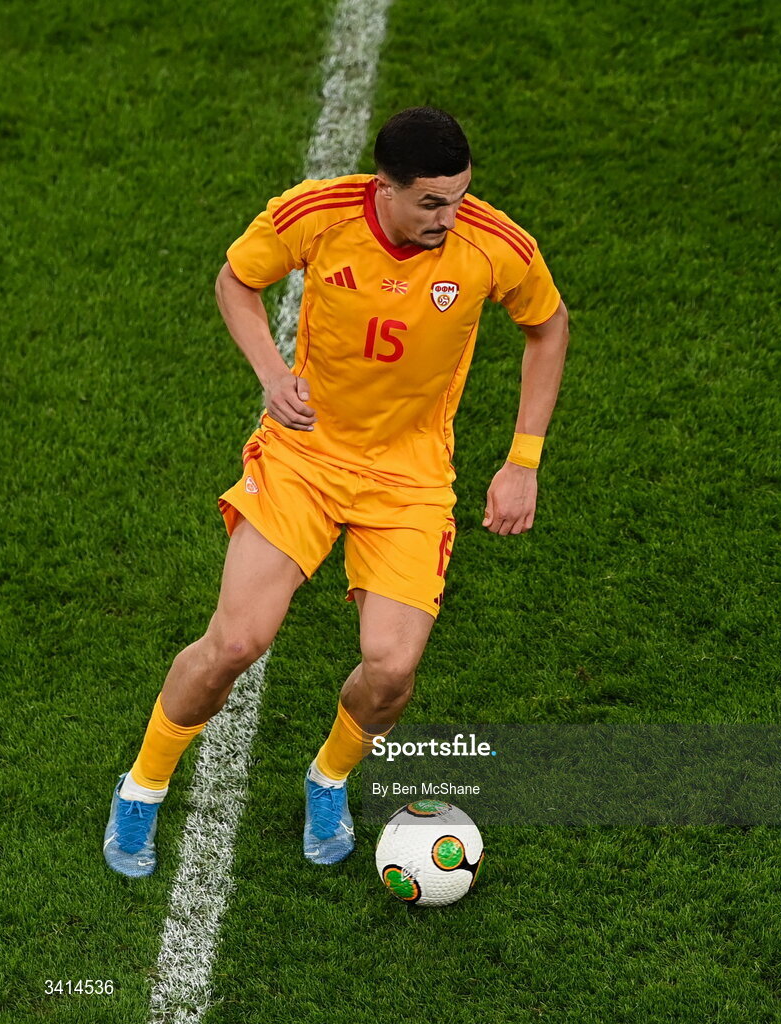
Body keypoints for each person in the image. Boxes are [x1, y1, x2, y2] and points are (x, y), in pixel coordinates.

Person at [103, 106, 569, 876]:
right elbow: (236, 280)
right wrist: (270, 374)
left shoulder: (494, 244)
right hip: (306, 458)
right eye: (430, 202)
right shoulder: (317, 215)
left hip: (412, 477)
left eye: (459, 196)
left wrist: (523, 459)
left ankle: (329, 778)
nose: (449, 217)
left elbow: (548, 327)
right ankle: (143, 787)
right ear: (383, 188)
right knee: (235, 643)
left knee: (391, 669)